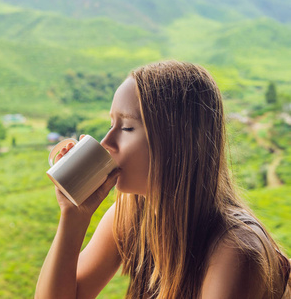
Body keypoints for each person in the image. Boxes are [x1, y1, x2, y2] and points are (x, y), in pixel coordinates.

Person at [35, 60, 291, 299]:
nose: (106, 142)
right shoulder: (132, 214)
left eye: (127, 128)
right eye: (111, 124)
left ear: (178, 142)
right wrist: (73, 216)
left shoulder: (234, 252)